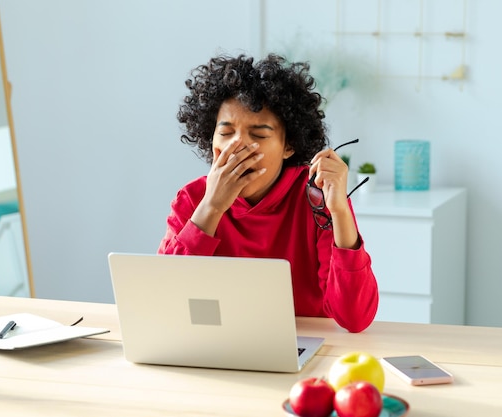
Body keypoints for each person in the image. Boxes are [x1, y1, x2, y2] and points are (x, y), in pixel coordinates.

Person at [158, 53, 378, 333]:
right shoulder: (191, 199)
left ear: (289, 146)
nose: (237, 146)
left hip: (303, 347)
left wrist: (339, 212)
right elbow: (166, 302)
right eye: (226, 133)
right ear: (210, 140)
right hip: (217, 343)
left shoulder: (316, 198)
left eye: (259, 135)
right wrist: (211, 208)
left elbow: (355, 318)